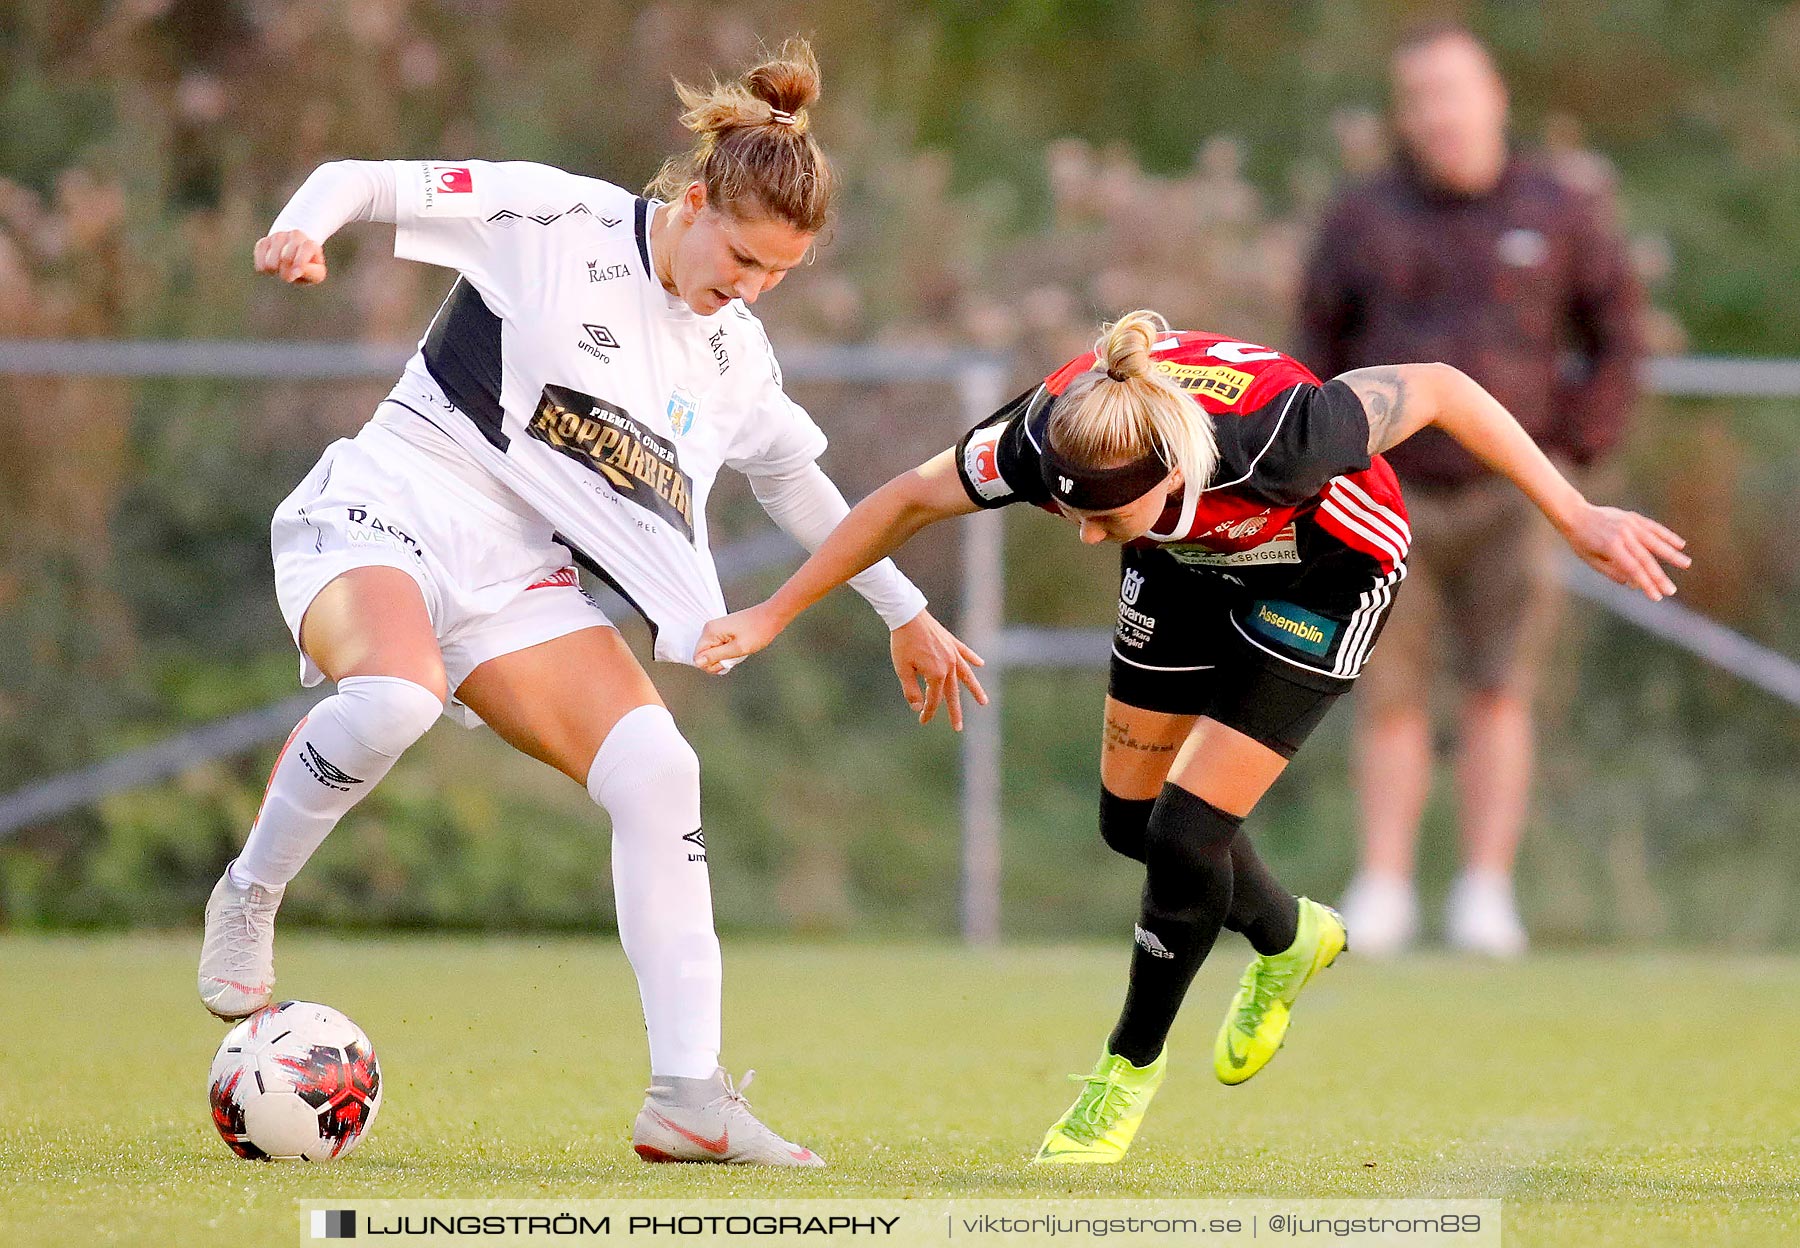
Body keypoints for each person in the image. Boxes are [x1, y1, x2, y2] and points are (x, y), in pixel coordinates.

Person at [196, 39, 980, 1168]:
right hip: (392, 503)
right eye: (744, 259)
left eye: (779, 277)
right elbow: (367, 178)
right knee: (397, 695)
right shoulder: (555, 222)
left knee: (661, 773)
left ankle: (688, 1098)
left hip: (520, 577)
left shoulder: (736, 356)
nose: (752, 290)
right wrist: (303, 226)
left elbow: (797, 481)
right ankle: (251, 892)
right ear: (695, 201)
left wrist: (901, 606)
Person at [694, 311, 1686, 1164]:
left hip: (1326, 576)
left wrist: (1572, 513)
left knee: (1184, 833)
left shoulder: (1283, 439)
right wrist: (775, 614)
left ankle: (1124, 1074)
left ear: (1175, 470)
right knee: (1129, 822)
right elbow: (906, 499)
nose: (1086, 536)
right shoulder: (1051, 440)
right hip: (1179, 560)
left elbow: (1441, 387)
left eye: (1103, 518)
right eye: (1071, 518)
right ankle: (1290, 937)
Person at [1297, 24, 1645, 957]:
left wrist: (1578, 442)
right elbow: (1314, 350)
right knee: (1384, 690)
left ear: (1493, 96)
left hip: (1516, 495)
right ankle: (1383, 888)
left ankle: (1486, 893)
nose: (1438, 114)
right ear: (1402, 116)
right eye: (1419, 98)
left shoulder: (1559, 208)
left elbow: (1617, 333)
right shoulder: (1362, 217)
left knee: (1500, 688)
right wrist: (1318, 463)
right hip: (1381, 493)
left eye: (1454, 91)